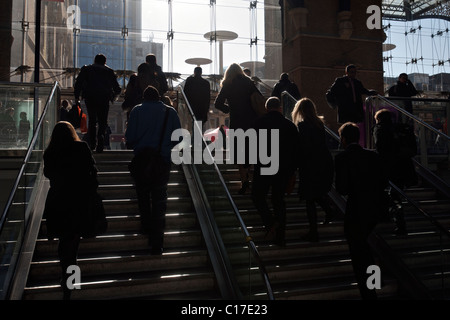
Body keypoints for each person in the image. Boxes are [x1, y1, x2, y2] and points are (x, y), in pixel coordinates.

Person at [42, 121, 99, 299]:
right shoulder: (81, 148)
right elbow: (92, 171)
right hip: (77, 201)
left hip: (58, 201)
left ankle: (67, 274)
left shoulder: (51, 151)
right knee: (73, 241)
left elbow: (48, 174)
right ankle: (70, 280)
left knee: (64, 239)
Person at [125, 86, 181, 255]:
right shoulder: (169, 112)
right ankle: (157, 242)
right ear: (159, 97)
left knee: (143, 196)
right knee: (159, 201)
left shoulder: (136, 111)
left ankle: (146, 226)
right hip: (161, 162)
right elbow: (178, 137)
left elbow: (130, 138)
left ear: (144, 97)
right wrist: (165, 147)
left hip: (142, 160)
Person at [335, 122, 388, 300]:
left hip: (355, 209)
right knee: (367, 249)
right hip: (374, 207)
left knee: (358, 253)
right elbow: (383, 181)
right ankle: (375, 283)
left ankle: (368, 292)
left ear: (343, 139)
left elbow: (342, 188)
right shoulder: (373, 156)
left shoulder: (342, 159)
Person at [252, 97, 300, 246]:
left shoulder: (259, 123)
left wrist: (249, 164)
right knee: (278, 201)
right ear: (280, 108)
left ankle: (270, 221)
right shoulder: (289, 125)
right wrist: (293, 171)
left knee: (258, 196)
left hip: (264, 166)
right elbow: (296, 150)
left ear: (267, 108)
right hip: (284, 169)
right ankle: (281, 237)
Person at [214, 63, 262, 195]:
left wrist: (229, 109)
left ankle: (244, 180)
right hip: (252, 121)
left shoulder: (228, 84)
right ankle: (252, 178)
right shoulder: (248, 82)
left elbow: (217, 103)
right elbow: (259, 98)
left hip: (237, 122)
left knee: (239, 153)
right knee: (252, 150)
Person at [292, 98, 335, 242]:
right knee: (315, 194)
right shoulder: (319, 124)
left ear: (300, 111)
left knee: (309, 198)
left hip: (309, 165)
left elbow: (303, 147)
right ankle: (329, 211)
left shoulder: (303, 126)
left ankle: (314, 231)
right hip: (323, 162)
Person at [372, 109, 417, 235]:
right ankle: (396, 220)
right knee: (396, 193)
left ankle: (396, 221)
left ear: (378, 119)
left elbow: (380, 147)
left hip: (388, 167)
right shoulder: (401, 129)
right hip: (404, 166)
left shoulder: (379, 128)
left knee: (388, 193)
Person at [74, 53, 121, 153]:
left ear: (95, 60)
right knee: (102, 120)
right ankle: (101, 138)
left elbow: (78, 83)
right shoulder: (109, 71)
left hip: (90, 97)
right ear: (105, 62)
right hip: (104, 98)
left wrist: (77, 97)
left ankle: (92, 143)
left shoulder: (86, 69)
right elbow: (117, 88)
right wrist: (113, 97)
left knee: (92, 119)